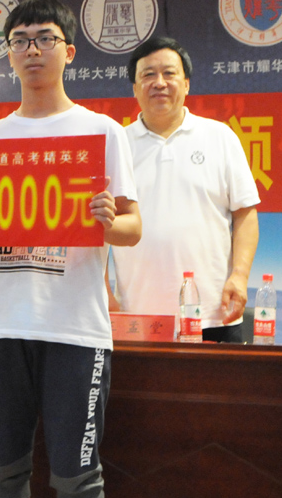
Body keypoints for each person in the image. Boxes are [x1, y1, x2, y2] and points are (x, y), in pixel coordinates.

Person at [0, 0, 141, 498]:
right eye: (20, 41)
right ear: (8, 54)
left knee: (78, 475)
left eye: (45, 38)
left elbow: (132, 228)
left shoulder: (102, 132)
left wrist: (107, 220)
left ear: (68, 51)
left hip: (74, 327)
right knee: (2, 468)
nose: (33, 50)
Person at [111, 35, 259, 342]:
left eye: (169, 73)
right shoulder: (116, 145)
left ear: (187, 83)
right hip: (138, 316)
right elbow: (98, 226)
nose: (159, 83)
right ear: (135, 88)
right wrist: (104, 291)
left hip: (215, 312)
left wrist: (240, 275)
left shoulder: (220, 137)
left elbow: (245, 214)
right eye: (148, 75)